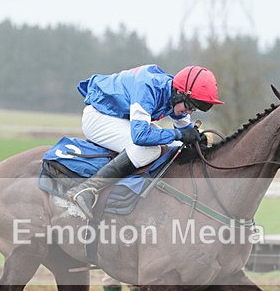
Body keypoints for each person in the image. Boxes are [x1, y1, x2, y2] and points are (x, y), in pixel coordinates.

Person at [67, 64, 224, 219]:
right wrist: (179, 134)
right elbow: (140, 136)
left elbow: (185, 129)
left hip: (120, 117)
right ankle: (86, 189)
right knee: (150, 150)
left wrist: (197, 138)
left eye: (194, 109)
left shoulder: (173, 93)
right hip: (99, 117)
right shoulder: (148, 87)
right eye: (189, 105)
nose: (189, 112)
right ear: (179, 93)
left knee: (176, 146)